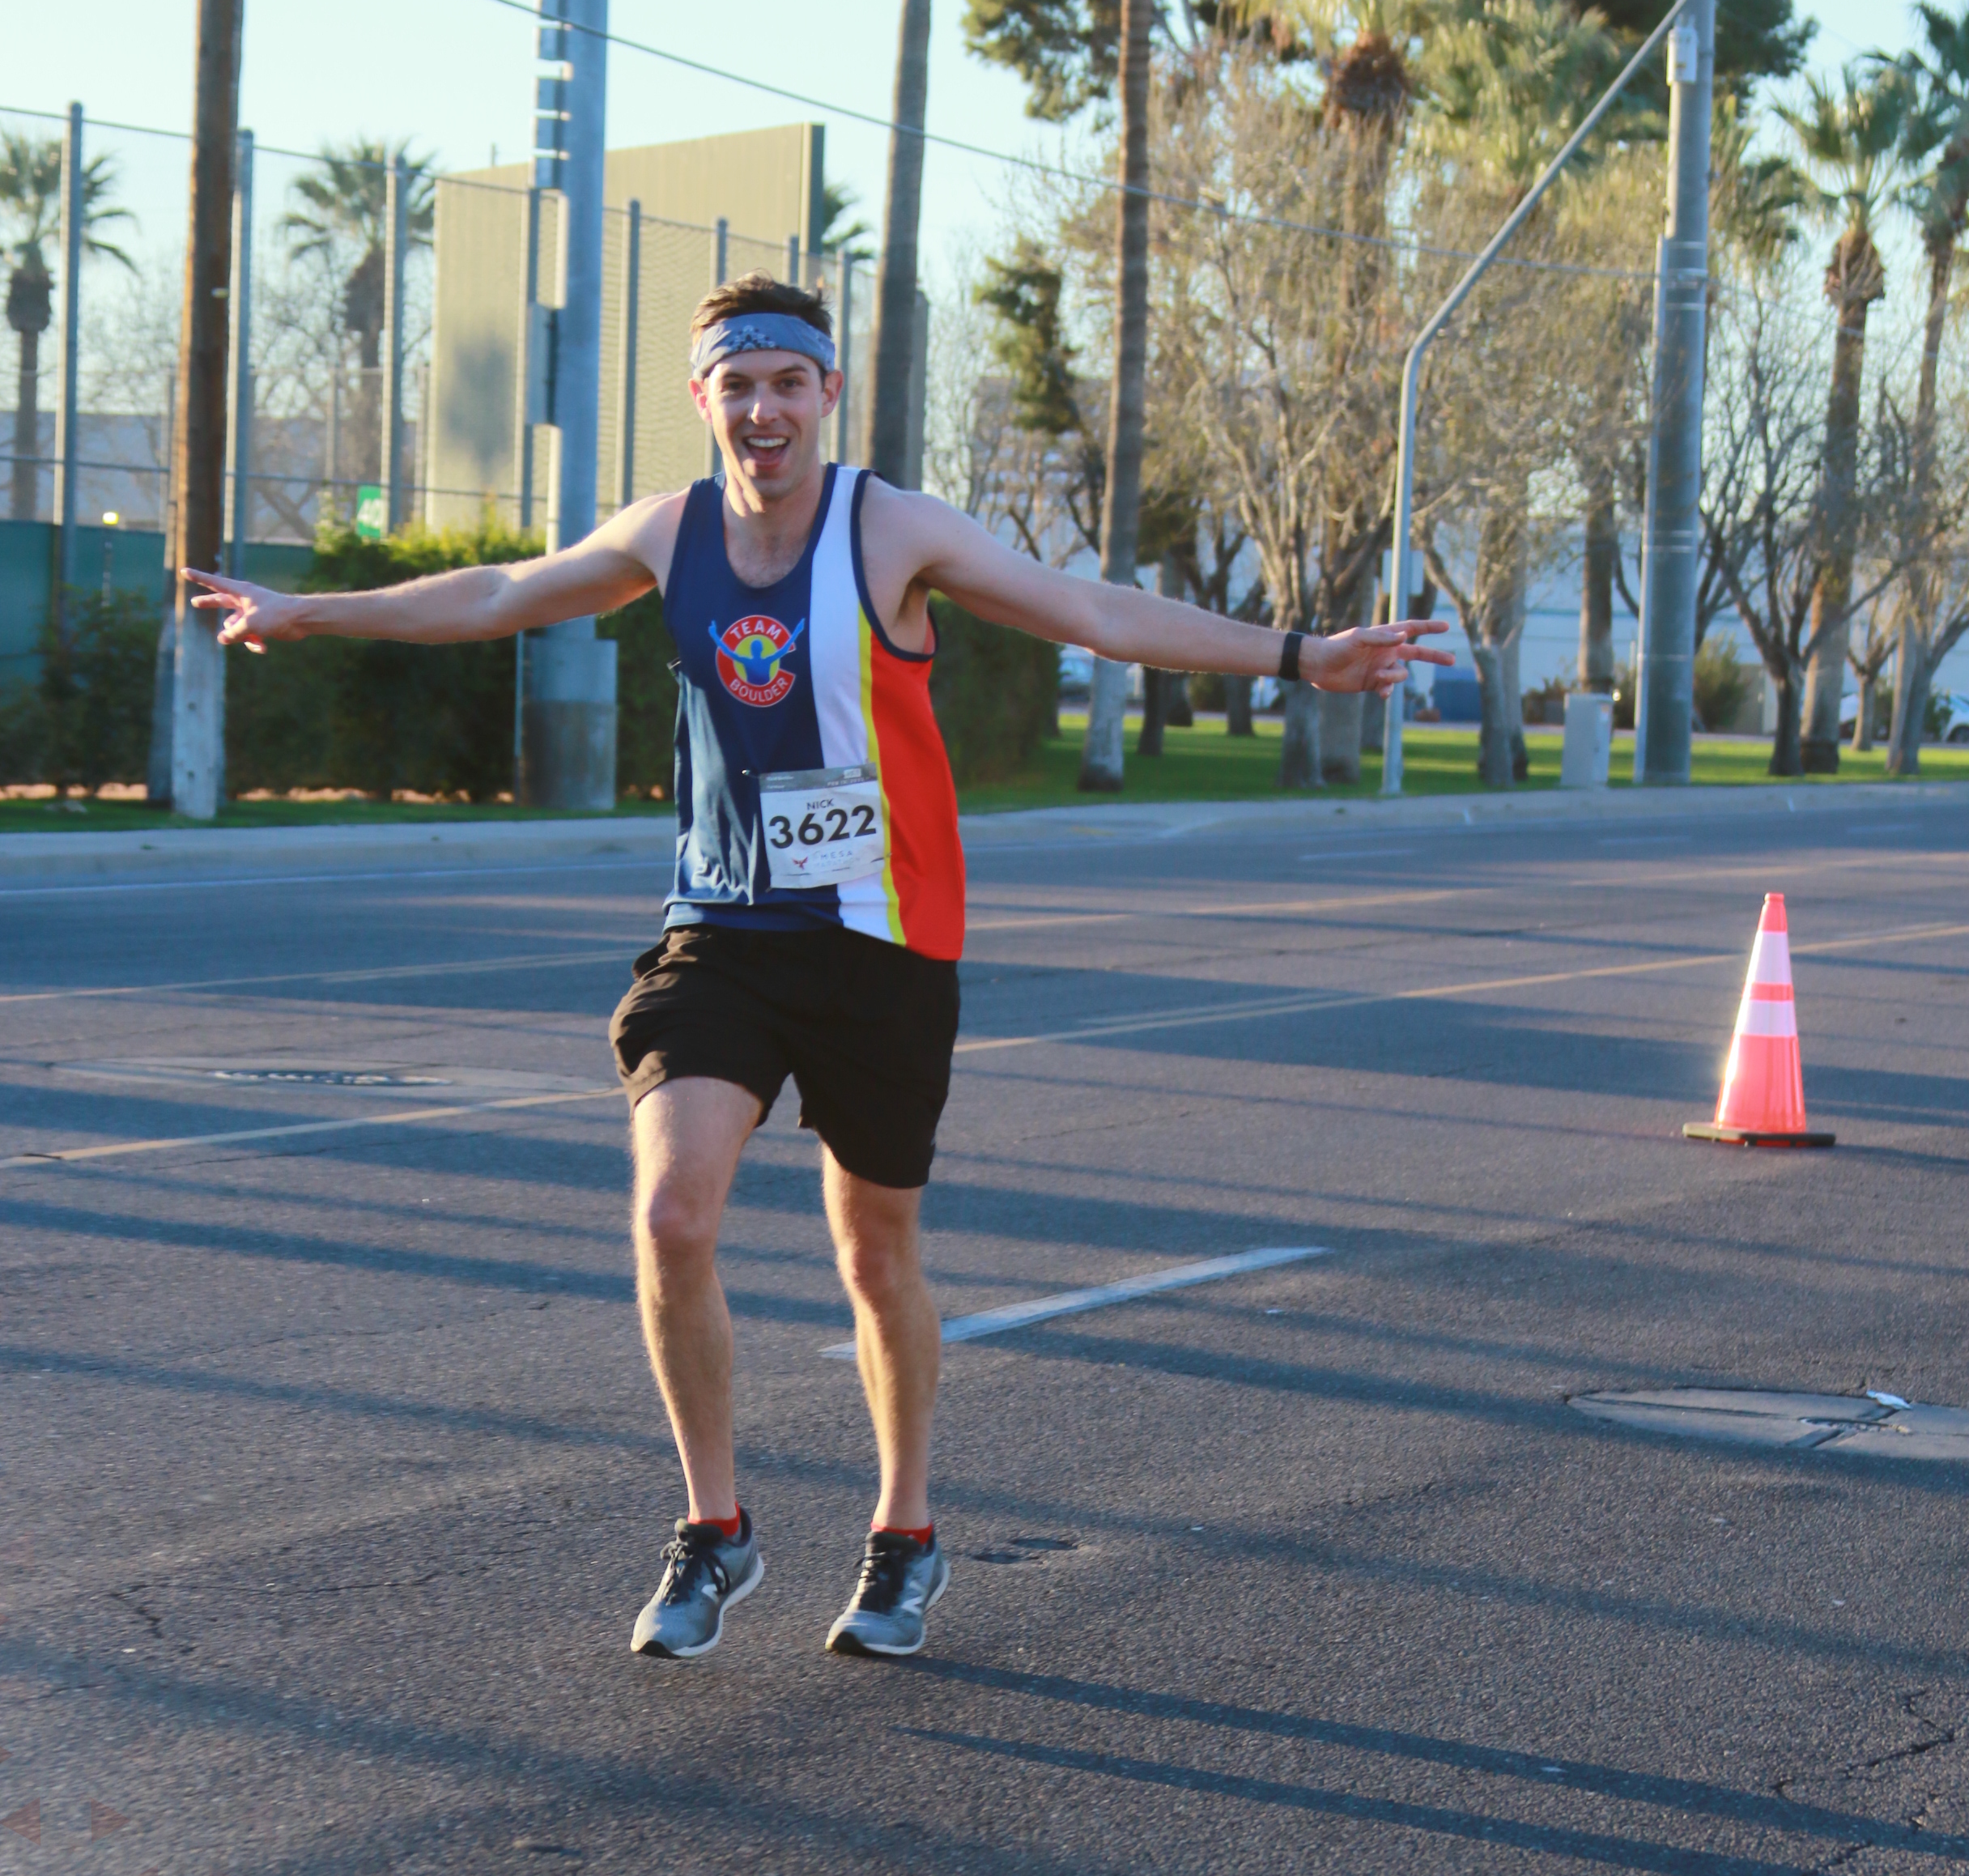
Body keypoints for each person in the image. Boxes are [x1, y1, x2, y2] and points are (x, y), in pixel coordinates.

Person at [186, 270, 1446, 1665]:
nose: (764, 409)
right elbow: (499, 593)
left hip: (883, 943)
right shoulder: (668, 533)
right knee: (673, 1215)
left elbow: (1088, 612)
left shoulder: (889, 526)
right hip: (723, 931)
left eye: (789, 382)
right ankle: (713, 1529)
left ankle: (906, 1534)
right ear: (703, 399)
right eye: (738, 385)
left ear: (826, 394)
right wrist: (309, 612)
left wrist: (1300, 654)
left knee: (874, 1251)